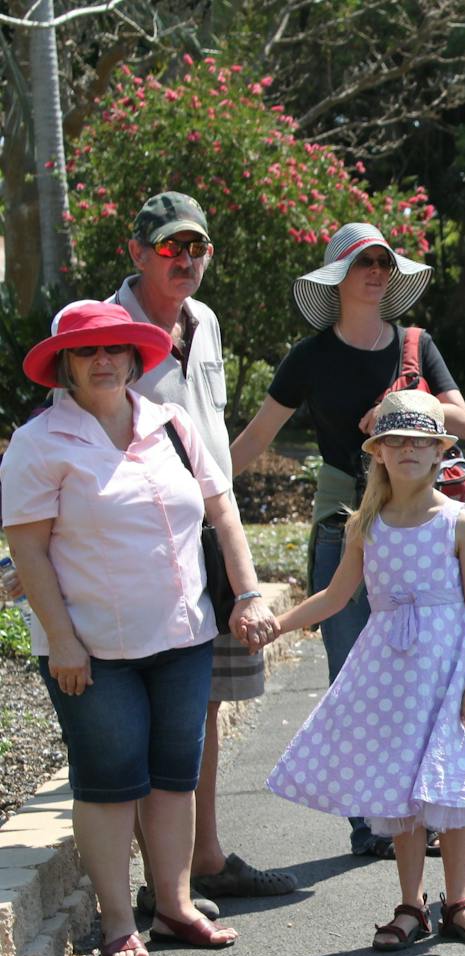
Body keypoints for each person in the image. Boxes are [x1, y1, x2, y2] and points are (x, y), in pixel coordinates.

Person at [1, 301, 278, 956]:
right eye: (88, 352)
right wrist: (62, 641)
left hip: (182, 637)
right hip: (91, 650)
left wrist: (247, 592)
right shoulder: (40, 444)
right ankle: (121, 922)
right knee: (108, 780)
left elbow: (222, 512)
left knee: (173, 777)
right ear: (64, 366)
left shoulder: (172, 425)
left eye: (115, 349)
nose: (104, 361)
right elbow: (29, 552)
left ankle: (176, 906)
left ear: (134, 359)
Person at [231, 222, 465, 859]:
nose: (376, 271)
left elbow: (464, 421)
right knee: (354, 675)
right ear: (338, 276)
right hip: (346, 518)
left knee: (425, 672)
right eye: (364, 262)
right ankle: (373, 819)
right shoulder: (310, 357)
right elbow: (257, 437)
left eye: (384, 262)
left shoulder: (417, 344)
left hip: (417, 522)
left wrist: (405, 398)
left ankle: (422, 807)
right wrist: (198, 493)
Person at [112, 191, 297, 912]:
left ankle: (205, 855)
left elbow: (211, 439)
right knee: (151, 706)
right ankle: (164, 881)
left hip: (211, 535)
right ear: (136, 253)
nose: (185, 260)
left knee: (208, 700)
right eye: (169, 248)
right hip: (144, 543)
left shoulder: (206, 321)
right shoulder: (108, 330)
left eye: (196, 248)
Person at [266, 391, 465, 947]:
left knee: (452, 788)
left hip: (448, 673)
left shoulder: (458, 522)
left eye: (423, 441)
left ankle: (459, 901)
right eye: (396, 441)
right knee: (401, 792)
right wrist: (278, 625)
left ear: (442, 451)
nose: (409, 450)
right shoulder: (365, 525)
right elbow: (335, 596)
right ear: (378, 453)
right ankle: (411, 905)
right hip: (390, 676)